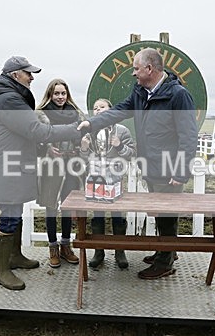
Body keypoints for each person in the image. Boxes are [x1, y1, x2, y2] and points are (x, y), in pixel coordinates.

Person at [77, 48, 198, 280]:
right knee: (158, 213)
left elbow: (189, 136)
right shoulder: (141, 93)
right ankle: (166, 252)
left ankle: (165, 262)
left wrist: (181, 172)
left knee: (168, 216)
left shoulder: (178, 95)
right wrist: (92, 124)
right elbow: (119, 111)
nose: (133, 73)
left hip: (169, 169)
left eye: (136, 68)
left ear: (149, 69)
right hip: (151, 167)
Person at [0, 55, 81, 290]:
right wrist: (74, 130)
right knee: (9, 215)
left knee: (15, 211)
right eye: (27, 73)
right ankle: (2, 270)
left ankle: (14, 257)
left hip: (14, 164)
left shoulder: (9, 97)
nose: (31, 77)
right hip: (9, 167)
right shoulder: (9, 99)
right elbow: (36, 130)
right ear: (14, 75)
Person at [81, 98, 137, 269]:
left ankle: (120, 251)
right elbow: (84, 160)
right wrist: (83, 148)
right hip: (96, 178)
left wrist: (119, 146)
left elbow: (131, 153)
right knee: (98, 215)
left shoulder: (122, 130)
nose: (98, 110)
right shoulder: (90, 132)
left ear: (111, 110)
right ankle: (99, 251)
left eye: (102, 107)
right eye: (95, 108)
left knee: (117, 216)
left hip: (115, 179)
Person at [36, 79, 86, 268]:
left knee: (67, 205)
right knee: (51, 205)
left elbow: (83, 137)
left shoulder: (76, 114)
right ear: (50, 94)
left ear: (67, 94)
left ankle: (66, 245)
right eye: (56, 93)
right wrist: (47, 148)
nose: (60, 97)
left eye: (63, 93)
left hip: (71, 164)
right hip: (52, 165)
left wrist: (79, 147)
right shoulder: (41, 115)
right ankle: (52, 248)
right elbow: (36, 138)